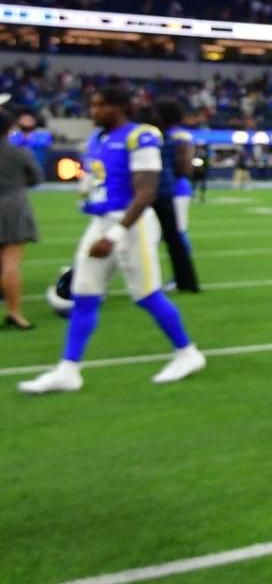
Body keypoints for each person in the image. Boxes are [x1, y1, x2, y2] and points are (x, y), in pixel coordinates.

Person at [17, 87, 206, 394]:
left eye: (99, 105)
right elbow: (98, 177)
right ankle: (68, 369)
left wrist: (116, 233)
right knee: (85, 294)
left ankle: (187, 353)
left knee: (146, 295)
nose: (93, 111)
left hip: (132, 223)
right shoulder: (97, 139)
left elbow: (146, 192)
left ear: (119, 107)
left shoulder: (140, 135)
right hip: (102, 219)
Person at [145, 99, 200, 293]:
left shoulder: (177, 135)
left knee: (177, 232)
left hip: (175, 190)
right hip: (170, 189)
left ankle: (180, 277)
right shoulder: (166, 134)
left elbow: (185, 167)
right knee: (166, 234)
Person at [1, 111, 43, 330]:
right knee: (11, 263)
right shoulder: (20, 152)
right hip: (14, 208)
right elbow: (37, 178)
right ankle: (15, 313)